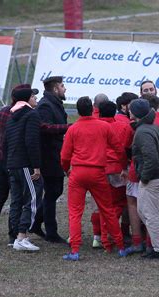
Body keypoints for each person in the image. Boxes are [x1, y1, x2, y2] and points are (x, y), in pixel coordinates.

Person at [60, 97, 126, 261]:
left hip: (78, 172)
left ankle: (75, 250)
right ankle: (119, 246)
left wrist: (66, 169)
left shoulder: (73, 129)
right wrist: (124, 166)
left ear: (77, 111)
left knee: (75, 212)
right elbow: (118, 148)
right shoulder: (103, 126)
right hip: (98, 173)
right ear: (92, 109)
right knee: (108, 209)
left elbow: (64, 156)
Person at [0, 84, 37, 244]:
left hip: (1, 159)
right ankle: (13, 235)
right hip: (16, 161)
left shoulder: (3, 111)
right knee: (17, 198)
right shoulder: (26, 114)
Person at [4, 87, 43, 251]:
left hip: (12, 164)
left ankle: (14, 237)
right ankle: (21, 236)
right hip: (25, 164)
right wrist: (36, 166)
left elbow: (6, 141)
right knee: (33, 198)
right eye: (33, 96)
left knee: (16, 201)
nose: (36, 98)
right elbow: (31, 142)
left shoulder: (12, 115)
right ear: (27, 99)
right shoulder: (31, 115)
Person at [129, 99, 159, 259]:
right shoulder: (151, 127)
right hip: (156, 175)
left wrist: (144, 176)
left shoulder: (143, 132)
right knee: (144, 211)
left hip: (151, 177)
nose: (129, 112)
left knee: (148, 212)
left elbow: (150, 157)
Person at [34, 76, 70, 243]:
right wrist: (67, 128)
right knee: (52, 192)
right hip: (48, 156)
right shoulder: (45, 106)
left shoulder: (54, 104)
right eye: (62, 86)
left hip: (55, 155)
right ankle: (51, 231)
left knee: (55, 192)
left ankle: (36, 224)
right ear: (55, 89)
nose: (65, 89)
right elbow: (44, 128)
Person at [94, 101, 133, 250]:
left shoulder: (94, 127)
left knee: (104, 206)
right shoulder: (123, 126)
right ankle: (111, 236)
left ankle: (104, 238)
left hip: (99, 169)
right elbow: (127, 148)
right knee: (118, 205)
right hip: (117, 169)